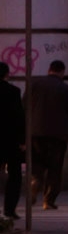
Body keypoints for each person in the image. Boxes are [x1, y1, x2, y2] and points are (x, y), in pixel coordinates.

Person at [30, 60, 68, 211]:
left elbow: (23, 108)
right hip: (58, 136)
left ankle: (35, 180)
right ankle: (48, 201)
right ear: (62, 72)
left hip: (35, 134)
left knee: (37, 164)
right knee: (54, 169)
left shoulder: (34, 86)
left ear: (49, 70)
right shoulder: (66, 90)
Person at [0, 62, 26, 219]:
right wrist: (22, 141)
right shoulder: (13, 91)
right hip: (9, 140)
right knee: (15, 175)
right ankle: (9, 209)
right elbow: (19, 118)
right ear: (6, 74)